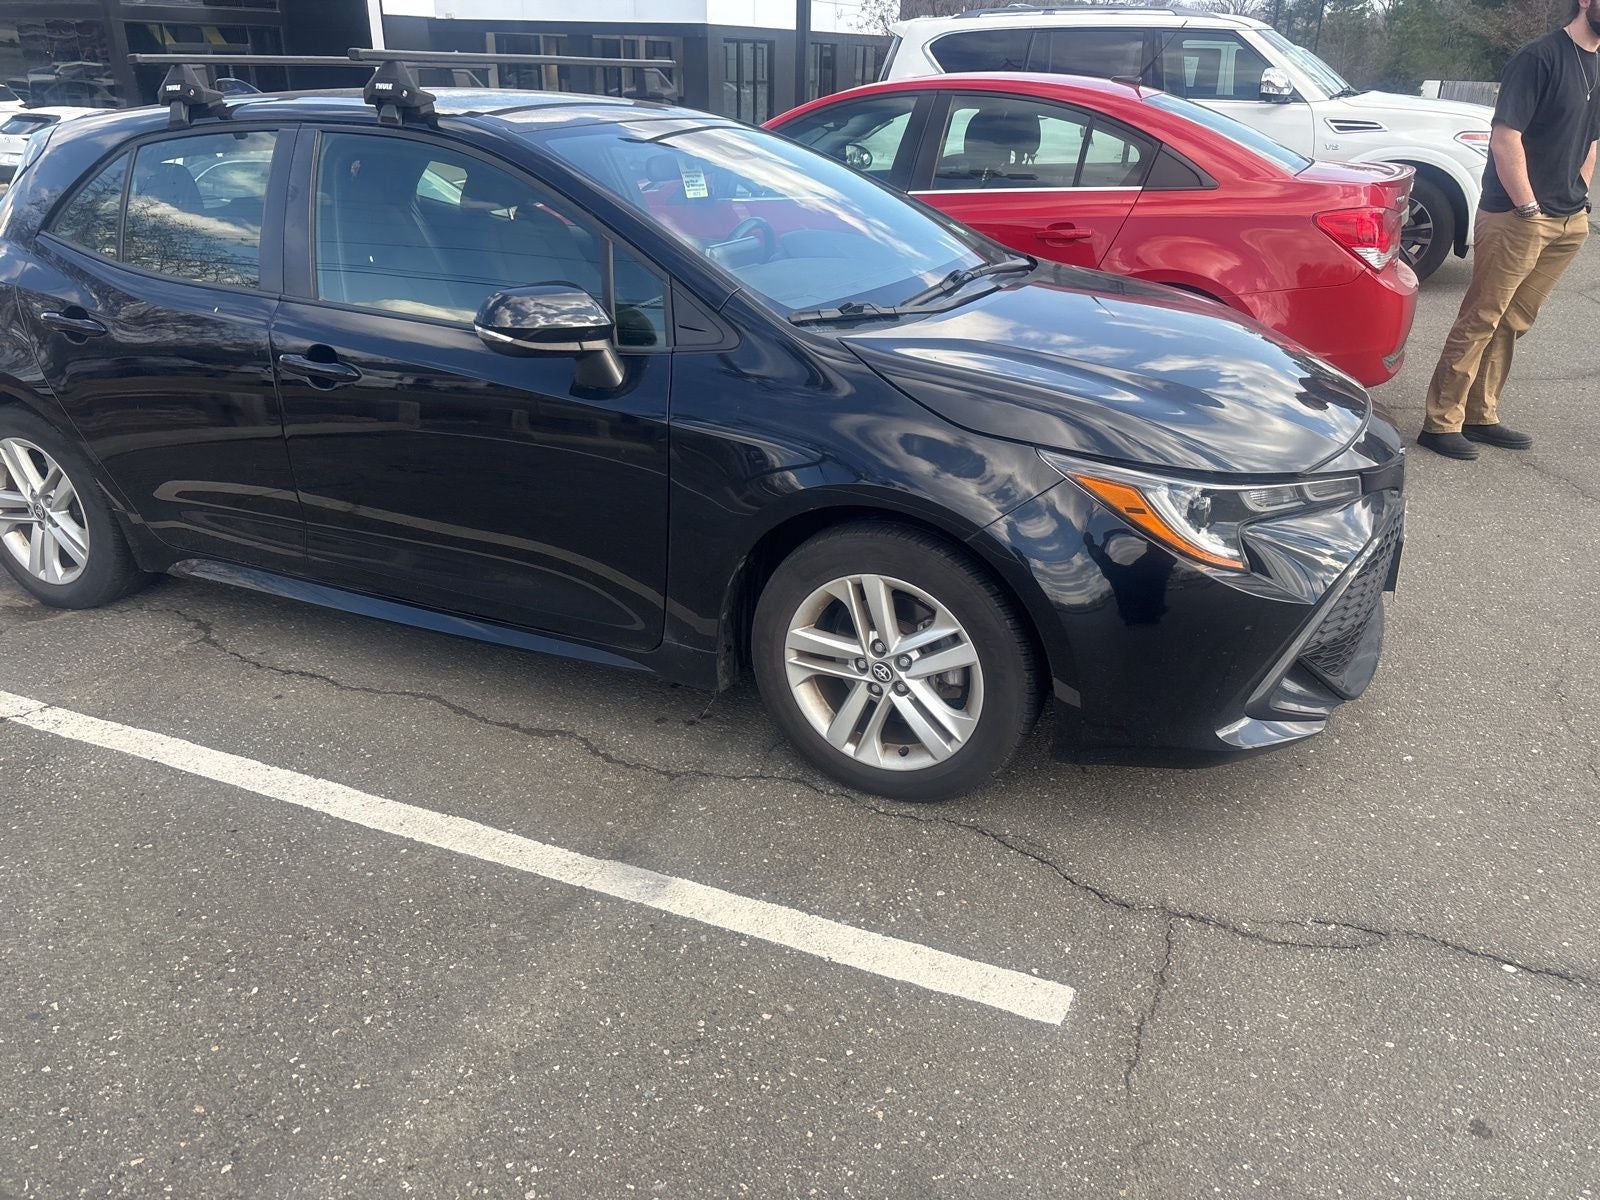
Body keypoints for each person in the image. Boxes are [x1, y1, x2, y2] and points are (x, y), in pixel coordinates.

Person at [1418, 0, 1600, 460]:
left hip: (1568, 218)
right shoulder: (1539, 57)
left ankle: (1481, 414)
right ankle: (1440, 422)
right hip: (1518, 216)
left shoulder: (1596, 65)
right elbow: (1505, 136)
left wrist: (1579, 195)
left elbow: (1591, 139)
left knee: (1515, 319)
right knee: (1482, 316)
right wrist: (1529, 206)